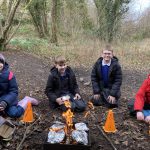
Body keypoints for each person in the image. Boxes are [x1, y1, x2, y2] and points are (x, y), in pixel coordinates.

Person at [0, 54, 38, 118]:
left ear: (3, 63)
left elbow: (14, 91)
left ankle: (27, 100)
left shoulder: (9, 75)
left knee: (13, 113)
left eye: (1, 62)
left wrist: (5, 102)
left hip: (8, 100)